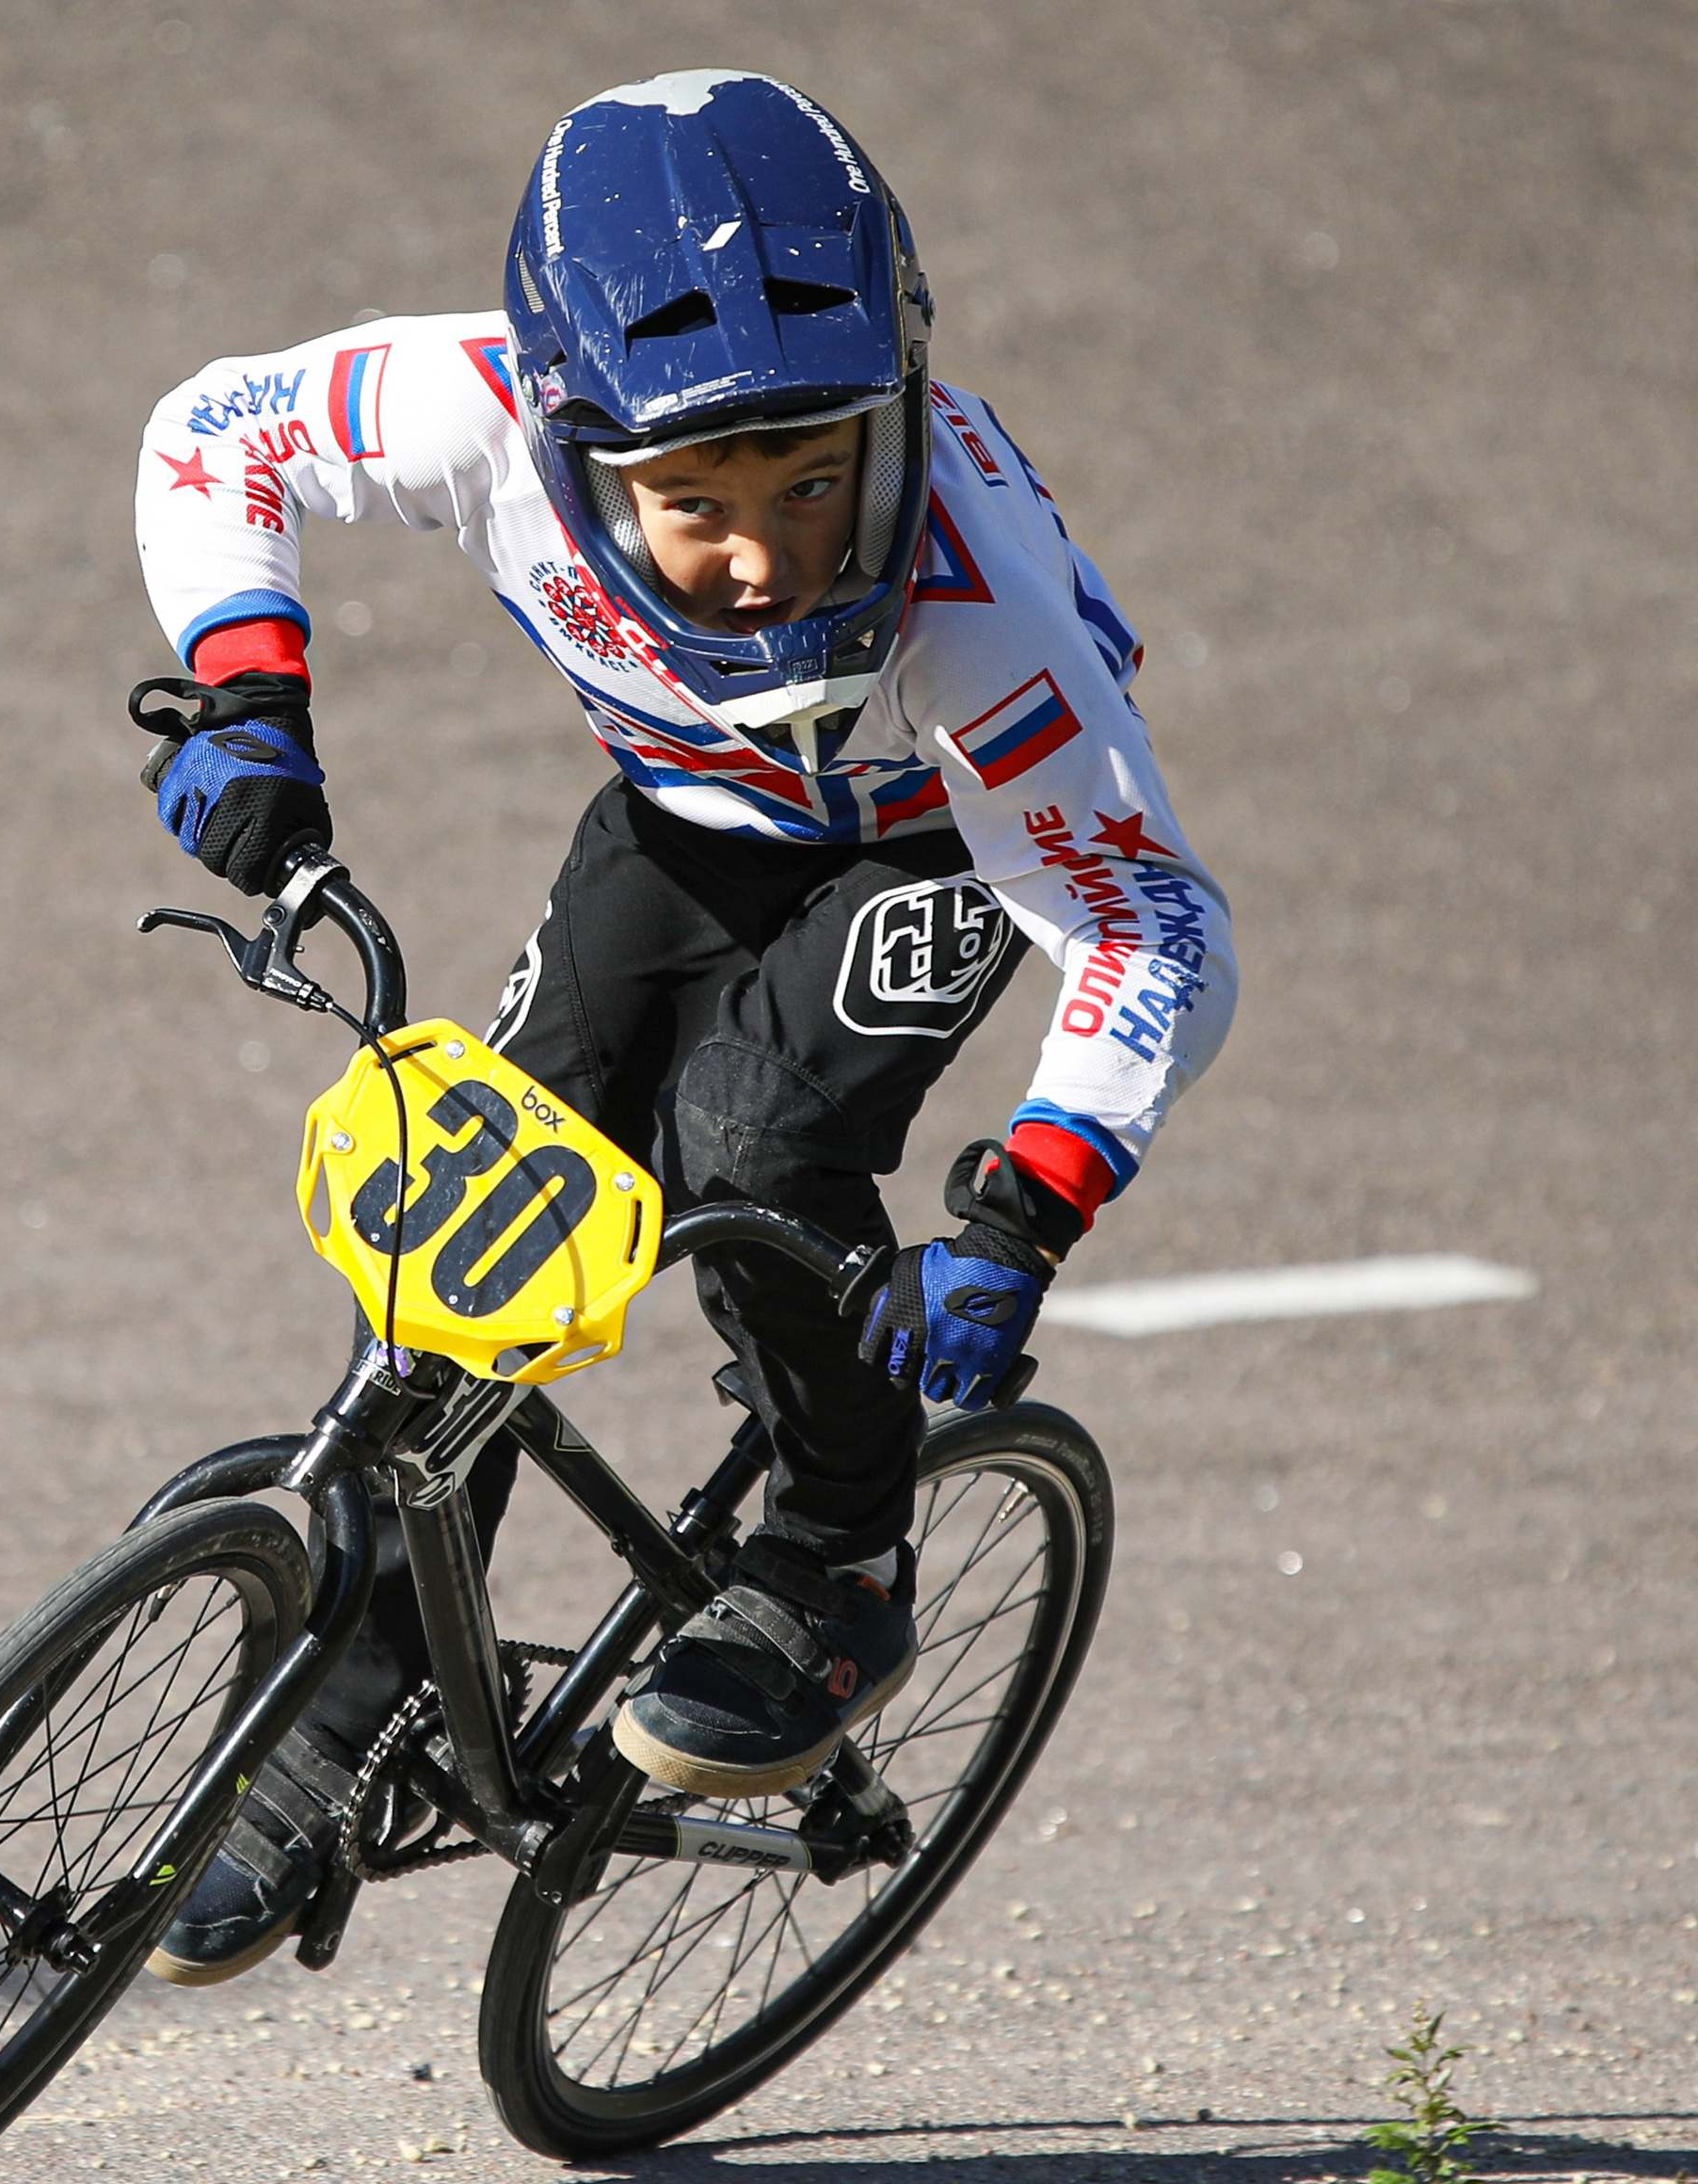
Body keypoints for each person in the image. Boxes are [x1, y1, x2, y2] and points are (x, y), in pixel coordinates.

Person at [129, 71, 1234, 1982]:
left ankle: (835, 1546)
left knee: (754, 1140)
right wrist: (242, 693)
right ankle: (365, 1670)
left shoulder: (981, 611)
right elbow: (213, 432)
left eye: (814, 480)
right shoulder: (470, 399)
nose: (760, 558)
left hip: (933, 841)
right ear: (568, 445)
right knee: (490, 1188)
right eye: (691, 502)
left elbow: (1146, 916)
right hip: (682, 818)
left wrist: (1028, 1204)